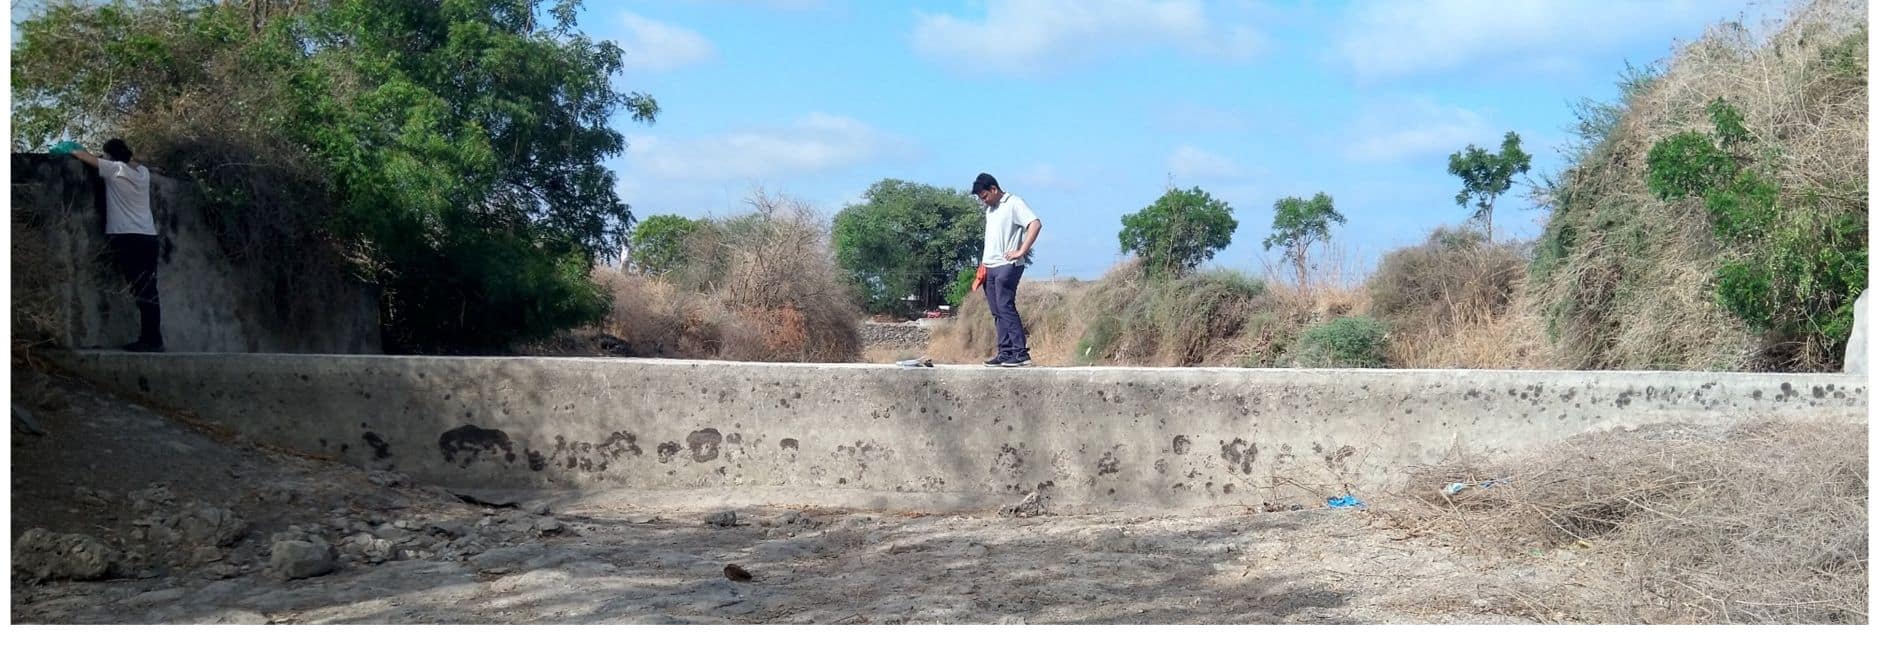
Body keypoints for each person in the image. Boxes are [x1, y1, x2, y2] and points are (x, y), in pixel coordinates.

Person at [68, 138, 164, 352]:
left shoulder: (114, 169)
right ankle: (153, 338)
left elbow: (81, 156)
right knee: (150, 290)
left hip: (127, 237)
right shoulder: (143, 173)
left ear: (109, 155)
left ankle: (150, 341)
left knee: (141, 290)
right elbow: (137, 163)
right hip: (148, 237)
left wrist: (72, 149)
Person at [970, 172, 1042, 367]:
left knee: (1005, 306)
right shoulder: (990, 211)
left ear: (994, 189)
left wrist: (1021, 251)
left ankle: (1020, 353)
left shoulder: (1014, 203)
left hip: (1007, 266)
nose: (983, 201)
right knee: (996, 311)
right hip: (989, 267)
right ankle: (1006, 352)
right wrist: (983, 264)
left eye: (985, 197)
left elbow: (1035, 224)